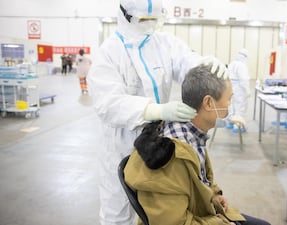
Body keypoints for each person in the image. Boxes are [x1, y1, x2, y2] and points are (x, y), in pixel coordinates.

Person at [86, 0, 228, 224]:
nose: (150, 25)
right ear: (126, 16)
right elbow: (107, 103)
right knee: (117, 214)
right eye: (144, 20)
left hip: (155, 144)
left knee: (156, 205)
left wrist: (203, 63)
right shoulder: (110, 53)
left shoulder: (164, 43)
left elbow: (186, 61)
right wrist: (155, 110)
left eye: (155, 19)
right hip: (120, 143)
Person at [125, 64, 271, 225]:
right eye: (229, 99)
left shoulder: (193, 134)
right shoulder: (170, 158)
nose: (230, 105)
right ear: (208, 103)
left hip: (200, 213)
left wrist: (213, 195)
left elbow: (199, 181)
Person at [227, 48, 251, 133]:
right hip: (239, 90)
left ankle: (230, 122)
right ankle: (237, 126)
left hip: (231, 88)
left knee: (231, 106)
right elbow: (244, 80)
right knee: (240, 107)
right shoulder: (242, 66)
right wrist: (247, 90)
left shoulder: (232, 64)